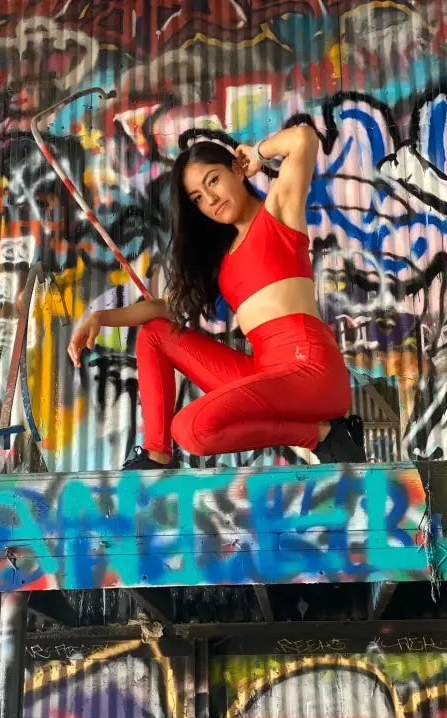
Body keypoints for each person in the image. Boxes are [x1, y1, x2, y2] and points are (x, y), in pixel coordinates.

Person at [68, 125, 366, 469]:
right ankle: (155, 455)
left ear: (236, 170)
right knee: (154, 335)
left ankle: (322, 435)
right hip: (266, 373)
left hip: (310, 369)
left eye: (212, 180)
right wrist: (99, 318)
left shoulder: (278, 212)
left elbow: (304, 139)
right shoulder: (224, 260)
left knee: (191, 429)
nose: (209, 200)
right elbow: (167, 309)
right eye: (197, 197)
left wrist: (256, 154)